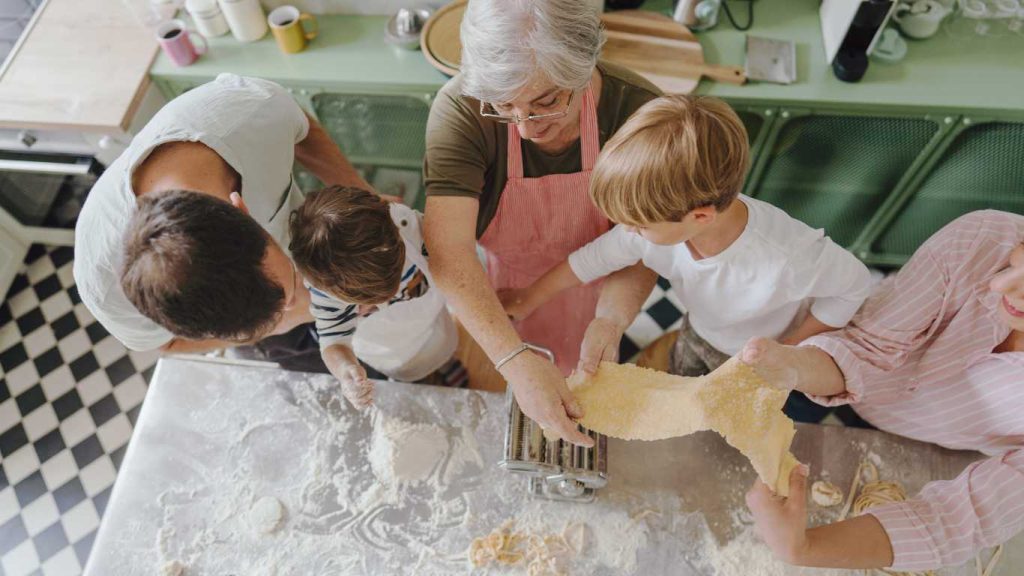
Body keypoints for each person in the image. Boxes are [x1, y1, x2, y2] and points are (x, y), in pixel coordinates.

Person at [423, 0, 662, 446]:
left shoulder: (641, 114)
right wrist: (513, 358)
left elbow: (647, 241)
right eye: (503, 106)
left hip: (602, 276)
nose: (526, 128)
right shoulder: (460, 110)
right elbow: (449, 251)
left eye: (546, 102)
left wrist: (610, 321)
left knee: (585, 365)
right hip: (504, 279)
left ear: (586, 63)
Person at [501, 95, 873, 377]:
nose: (628, 231)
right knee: (684, 373)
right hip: (699, 329)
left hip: (760, 352)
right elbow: (594, 258)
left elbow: (854, 286)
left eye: (638, 225)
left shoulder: (786, 255)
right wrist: (529, 298)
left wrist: (789, 348)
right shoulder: (658, 224)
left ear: (700, 216)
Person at [742, 210, 1024, 572]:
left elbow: (962, 518)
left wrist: (804, 548)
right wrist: (794, 366)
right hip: (831, 366)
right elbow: (866, 347)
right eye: (1019, 257)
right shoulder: (984, 240)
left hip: (928, 438)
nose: (1001, 285)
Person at [74, 74, 377, 369]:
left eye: (288, 285)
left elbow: (302, 130)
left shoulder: (252, 110)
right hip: (263, 334)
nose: (293, 299)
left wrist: (364, 194)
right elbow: (166, 345)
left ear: (243, 207)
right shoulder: (102, 288)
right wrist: (284, 322)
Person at [288, 185, 460, 408]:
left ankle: (446, 363)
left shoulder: (413, 228)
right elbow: (333, 340)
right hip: (391, 350)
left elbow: (458, 261)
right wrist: (345, 369)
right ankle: (429, 377)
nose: (379, 304)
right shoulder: (324, 287)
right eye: (368, 302)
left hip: (429, 319)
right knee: (415, 372)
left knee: (440, 344)